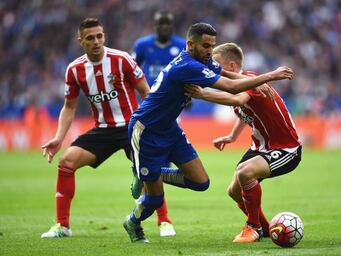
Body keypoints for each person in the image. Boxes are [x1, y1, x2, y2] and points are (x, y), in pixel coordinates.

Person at [122, 22, 294, 243]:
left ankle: (148, 173)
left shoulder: (202, 60)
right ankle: (133, 223)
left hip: (170, 129)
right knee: (155, 200)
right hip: (146, 130)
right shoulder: (187, 66)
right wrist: (269, 76)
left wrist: (252, 82)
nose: (210, 51)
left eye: (212, 46)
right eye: (205, 46)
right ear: (190, 44)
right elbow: (230, 88)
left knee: (200, 182)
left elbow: (225, 73)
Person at [40, 18, 149, 238]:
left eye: (99, 36)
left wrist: (150, 125)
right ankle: (63, 226)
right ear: (81, 41)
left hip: (131, 126)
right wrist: (59, 138)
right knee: (66, 162)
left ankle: (164, 221)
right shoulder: (74, 70)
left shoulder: (122, 59)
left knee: (149, 172)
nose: (96, 41)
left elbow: (146, 92)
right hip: (103, 131)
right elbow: (69, 107)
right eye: (90, 38)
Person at [184, 42, 302, 243]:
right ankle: (265, 228)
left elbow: (239, 101)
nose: (213, 67)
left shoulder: (250, 80)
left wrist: (203, 94)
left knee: (245, 173)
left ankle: (253, 227)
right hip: (261, 147)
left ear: (230, 66)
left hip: (286, 148)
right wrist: (232, 136)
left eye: (217, 63)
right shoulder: (246, 83)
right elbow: (246, 111)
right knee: (234, 192)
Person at [130, 10, 186, 237]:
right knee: (159, 159)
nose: (164, 26)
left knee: (157, 162)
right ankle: (164, 220)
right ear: (155, 26)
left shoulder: (181, 45)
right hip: (149, 109)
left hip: (172, 108)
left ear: (172, 26)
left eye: (167, 23)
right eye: (160, 23)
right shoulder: (143, 45)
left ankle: (140, 173)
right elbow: (131, 71)